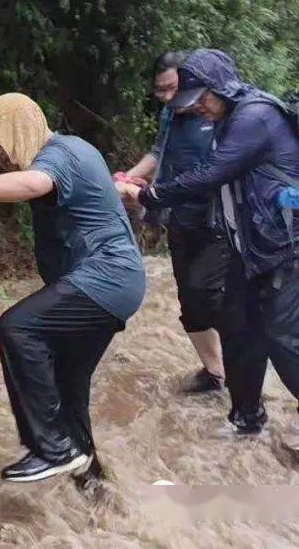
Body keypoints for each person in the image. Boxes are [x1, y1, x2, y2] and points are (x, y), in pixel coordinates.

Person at [120, 48, 299, 450]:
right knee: (238, 328)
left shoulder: (255, 117)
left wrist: (149, 196)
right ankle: (245, 418)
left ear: (222, 88)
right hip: (255, 242)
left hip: (298, 242)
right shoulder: (227, 117)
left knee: (284, 334)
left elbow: (211, 174)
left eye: (202, 99)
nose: (197, 109)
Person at [0, 93, 145, 482]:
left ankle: (50, 449)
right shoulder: (69, 151)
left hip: (106, 278)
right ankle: (91, 480)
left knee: (17, 327)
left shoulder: (60, 152)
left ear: (16, 129)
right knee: (68, 381)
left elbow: (35, 182)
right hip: (115, 284)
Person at [116, 51, 228, 394]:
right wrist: (123, 178)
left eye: (172, 89)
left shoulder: (223, 115)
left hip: (220, 222)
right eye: (160, 91)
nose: (167, 98)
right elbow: (158, 152)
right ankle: (215, 373)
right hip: (179, 216)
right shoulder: (170, 114)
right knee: (189, 301)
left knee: (209, 292)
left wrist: (151, 194)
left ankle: (245, 367)